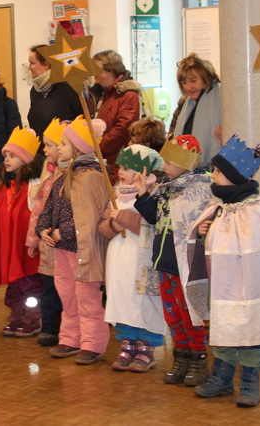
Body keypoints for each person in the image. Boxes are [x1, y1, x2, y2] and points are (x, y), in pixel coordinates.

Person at [192, 136, 260, 407]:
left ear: (232, 175)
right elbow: (208, 244)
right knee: (223, 324)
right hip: (222, 284)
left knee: (249, 326)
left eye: (217, 171)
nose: (212, 175)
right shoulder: (216, 207)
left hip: (248, 284)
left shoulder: (253, 209)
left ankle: (250, 380)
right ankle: (223, 377)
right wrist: (203, 232)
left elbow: (258, 251)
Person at [133, 135, 213, 385]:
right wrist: (142, 194)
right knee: (173, 314)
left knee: (191, 313)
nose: (164, 165)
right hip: (164, 262)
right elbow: (155, 218)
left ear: (184, 163)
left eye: (169, 161)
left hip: (185, 265)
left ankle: (198, 360)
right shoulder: (167, 188)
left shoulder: (200, 190)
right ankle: (181, 357)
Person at [36, 117, 111, 365]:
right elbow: (49, 207)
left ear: (77, 148)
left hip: (81, 251)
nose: (59, 148)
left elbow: (87, 216)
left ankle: (92, 343)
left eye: (63, 144)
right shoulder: (64, 176)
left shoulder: (91, 177)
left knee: (87, 298)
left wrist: (62, 232)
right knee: (67, 295)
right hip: (62, 251)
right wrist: (43, 229)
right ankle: (70, 338)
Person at [97, 145, 167, 373]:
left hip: (142, 259)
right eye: (119, 167)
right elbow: (104, 228)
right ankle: (127, 343)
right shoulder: (116, 194)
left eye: (126, 168)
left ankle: (146, 346)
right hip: (120, 259)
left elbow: (150, 224)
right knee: (123, 299)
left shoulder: (155, 194)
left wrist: (124, 217)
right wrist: (114, 224)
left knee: (143, 302)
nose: (120, 172)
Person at [0, 126, 44, 337]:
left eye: (13, 155)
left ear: (26, 159)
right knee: (14, 284)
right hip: (9, 244)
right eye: (6, 156)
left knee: (29, 283)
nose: (7, 160)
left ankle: (33, 317)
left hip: (25, 245)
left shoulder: (34, 185)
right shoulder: (2, 184)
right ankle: (16, 314)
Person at [24, 118, 68, 347]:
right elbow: (38, 212)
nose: (45, 150)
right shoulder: (48, 178)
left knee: (67, 291)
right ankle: (50, 327)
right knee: (49, 289)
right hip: (47, 243)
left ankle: (68, 330)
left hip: (65, 244)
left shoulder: (68, 178)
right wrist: (34, 239)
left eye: (50, 145)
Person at [92, 50, 141, 183]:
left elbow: (123, 129)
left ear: (109, 70)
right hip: (106, 159)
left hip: (117, 160)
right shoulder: (105, 92)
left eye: (96, 68)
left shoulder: (128, 95)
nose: (92, 72)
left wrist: (98, 147)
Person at [168, 54, 221, 169]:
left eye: (193, 81)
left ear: (206, 79)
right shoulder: (185, 104)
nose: (188, 87)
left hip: (212, 169)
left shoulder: (222, 100)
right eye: (184, 82)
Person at [26, 44, 83, 136]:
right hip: (41, 148)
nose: (29, 67)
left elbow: (81, 119)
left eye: (32, 63)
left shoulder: (68, 87)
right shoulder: (35, 90)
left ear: (46, 65)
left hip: (61, 148)